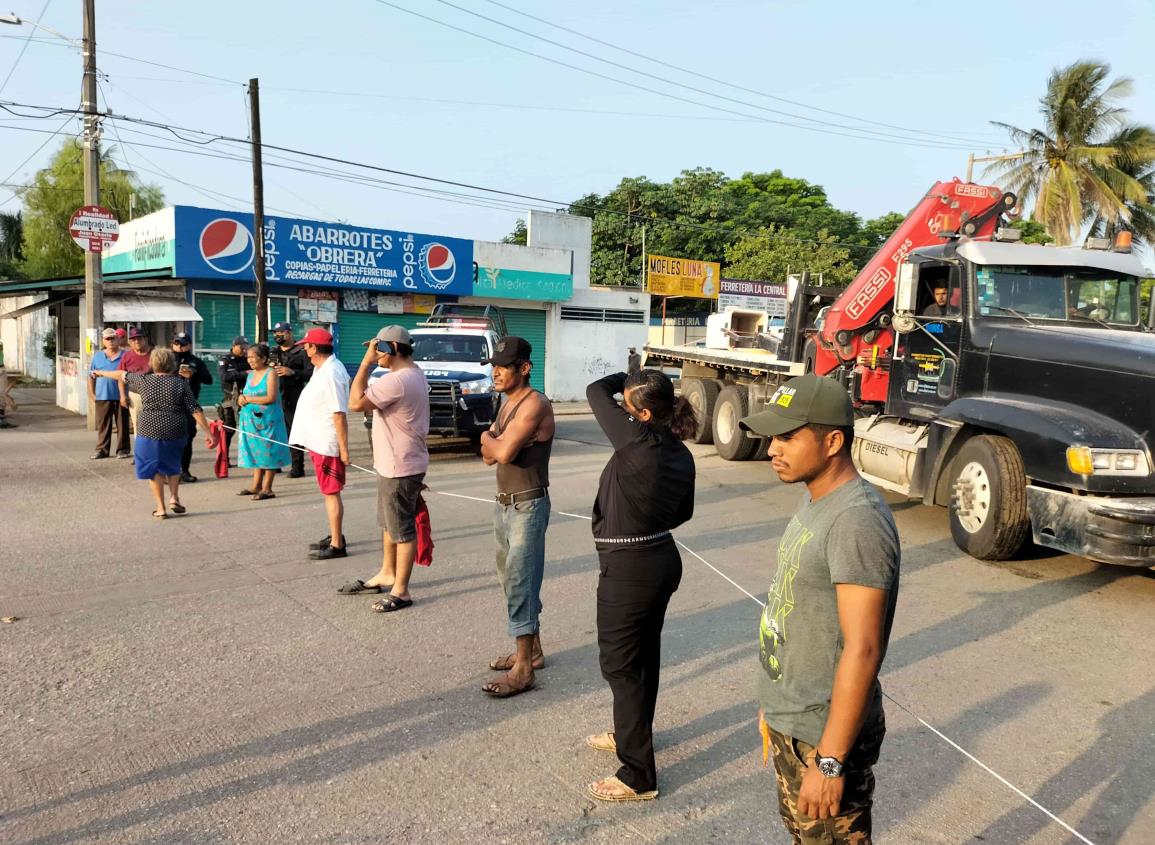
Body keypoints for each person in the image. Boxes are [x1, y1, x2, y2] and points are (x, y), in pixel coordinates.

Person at [737, 373, 900, 845]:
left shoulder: (856, 519)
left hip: (823, 736)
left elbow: (864, 648)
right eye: (772, 437)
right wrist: (776, 705)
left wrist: (829, 760)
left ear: (833, 441)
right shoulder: (818, 500)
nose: (773, 449)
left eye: (788, 437)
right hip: (796, 721)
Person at [583, 369, 697, 803]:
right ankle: (631, 734)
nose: (619, 410)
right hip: (659, 559)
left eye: (626, 406)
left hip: (631, 568)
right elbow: (681, 513)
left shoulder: (637, 442)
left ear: (644, 413)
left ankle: (637, 775)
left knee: (621, 667)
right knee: (643, 658)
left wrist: (629, 372)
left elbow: (596, 390)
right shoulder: (677, 451)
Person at [478, 336, 555, 698]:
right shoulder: (508, 404)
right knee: (511, 580)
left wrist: (493, 441)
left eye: (504, 366)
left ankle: (524, 669)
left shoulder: (535, 404)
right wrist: (492, 441)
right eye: (494, 365)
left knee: (521, 581)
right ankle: (533, 650)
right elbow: (488, 454)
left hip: (527, 503)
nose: (496, 372)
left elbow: (502, 451)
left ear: (524, 368)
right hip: (505, 503)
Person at [344, 325, 430, 609]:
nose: (374, 353)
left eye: (378, 348)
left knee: (402, 529)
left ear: (392, 348)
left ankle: (401, 591)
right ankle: (387, 571)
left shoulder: (398, 380)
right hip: (396, 463)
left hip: (399, 466)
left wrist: (366, 364)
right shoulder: (412, 373)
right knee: (388, 523)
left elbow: (355, 402)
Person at [92, 347, 215, 518]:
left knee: (153, 469)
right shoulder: (181, 383)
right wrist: (209, 434)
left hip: (149, 429)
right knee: (173, 465)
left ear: (152, 364)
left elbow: (120, 374)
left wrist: (100, 372)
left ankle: (161, 508)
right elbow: (195, 409)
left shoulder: (143, 380)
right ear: (172, 364)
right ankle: (174, 498)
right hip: (176, 429)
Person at [288, 327, 351, 560]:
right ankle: (336, 534)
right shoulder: (322, 369)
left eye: (307, 346)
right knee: (328, 492)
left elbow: (338, 412)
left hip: (327, 443)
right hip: (318, 440)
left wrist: (344, 450)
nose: (304, 349)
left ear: (315, 348)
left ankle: (337, 544)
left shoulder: (332, 372)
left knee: (331, 492)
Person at [235, 342, 291, 501]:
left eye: (253, 357)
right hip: (251, 421)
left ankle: (268, 488)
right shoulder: (251, 374)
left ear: (264, 358)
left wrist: (248, 399)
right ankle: (256, 485)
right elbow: (244, 393)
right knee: (255, 452)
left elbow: (270, 397)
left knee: (268, 452)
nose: (250, 360)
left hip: (268, 422)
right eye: (248, 357)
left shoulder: (270, 373)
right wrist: (241, 398)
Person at [269, 321, 313, 478]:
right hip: (275, 398)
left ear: (289, 333)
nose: (277, 336)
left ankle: (297, 467)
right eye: (275, 333)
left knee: (294, 433)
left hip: (294, 398)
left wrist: (292, 372)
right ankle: (276, 463)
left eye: (280, 333)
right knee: (274, 432)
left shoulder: (301, 352)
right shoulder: (273, 352)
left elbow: (311, 374)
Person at [171, 332, 213, 482]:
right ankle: (169, 472)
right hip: (169, 406)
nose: (179, 346)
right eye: (176, 343)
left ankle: (185, 471)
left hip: (189, 407)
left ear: (189, 345)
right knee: (170, 440)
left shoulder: (196, 361)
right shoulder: (166, 360)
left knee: (187, 440)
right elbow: (153, 374)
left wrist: (193, 374)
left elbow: (209, 380)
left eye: (182, 344)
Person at [89, 328, 130, 459]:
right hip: (102, 396)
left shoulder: (125, 355)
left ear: (118, 339)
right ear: (103, 341)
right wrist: (92, 394)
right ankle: (102, 449)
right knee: (103, 424)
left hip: (121, 396)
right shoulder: (97, 356)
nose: (111, 341)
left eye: (113, 338)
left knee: (122, 424)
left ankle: (123, 449)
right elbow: (90, 376)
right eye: (107, 339)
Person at [217, 336, 250, 464]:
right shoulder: (225, 360)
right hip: (229, 399)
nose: (244, 350)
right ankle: (225, 459)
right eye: (242, 347)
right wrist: (244, 374)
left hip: (247, 399)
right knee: (228, 430)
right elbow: (224, 376)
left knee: (248, 430)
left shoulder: (249, 359)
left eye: (246, 347)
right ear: (234, 346)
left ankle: (249, 458)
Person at [118, 328, 153, 441]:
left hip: (154, 394)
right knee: (138, 424)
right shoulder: (127, 356)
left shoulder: (155, 353)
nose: (137, 341)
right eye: (133, 339)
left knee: (155, 424)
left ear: (145, 339)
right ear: (130, 342)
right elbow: (121, 376)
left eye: (139, 338)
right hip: (135, 394)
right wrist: (123, 396)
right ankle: (140, 454)